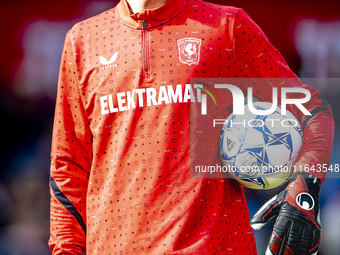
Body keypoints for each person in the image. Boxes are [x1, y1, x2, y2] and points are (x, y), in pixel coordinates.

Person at [49, 0, 334, 254]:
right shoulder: (83, 40)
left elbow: (312, 111)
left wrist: (305, 186)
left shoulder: (227, 26)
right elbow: (68, 167)